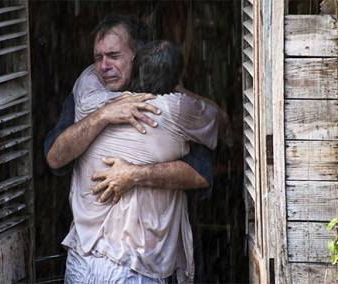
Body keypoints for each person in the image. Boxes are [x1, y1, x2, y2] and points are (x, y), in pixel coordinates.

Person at [44, 16, 217, 282]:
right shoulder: (87, 98)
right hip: (83, 258)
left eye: (113, 55)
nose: (104, 66)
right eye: (98, 57)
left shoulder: (170, 107)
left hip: (139, 265)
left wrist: (135, 174)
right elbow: (55, 158)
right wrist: (104, 115)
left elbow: (201, 174)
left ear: (138, 56)